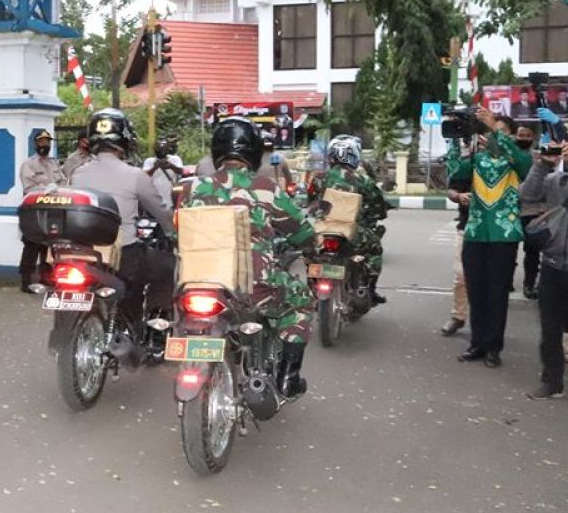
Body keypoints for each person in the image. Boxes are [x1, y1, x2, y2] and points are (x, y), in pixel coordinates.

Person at [176, 117, 317, 396]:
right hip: (253, 288)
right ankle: (288, 379)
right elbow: (300, 230)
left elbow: (179, 231)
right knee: (300, 303)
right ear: (253, 151)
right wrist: (311, 246)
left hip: (198, 284)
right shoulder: (265, 188)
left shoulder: (192, 188)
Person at [70, 108, 175, 326]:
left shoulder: (78, 173)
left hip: (85, 252)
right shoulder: (134, 175)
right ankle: (153, 327)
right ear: (125, 138)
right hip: (124, 253)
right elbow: (161, 211)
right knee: (167, 266)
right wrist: (171, 232)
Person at [446, 109, 531, 367]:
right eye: (492, 131)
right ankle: (477, 344)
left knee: (497, 293)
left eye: (502, 132)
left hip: (504, 235)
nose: (495, 136)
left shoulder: (518, 159)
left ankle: (494, 348)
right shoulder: (477, 158)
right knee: (477, 291)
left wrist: (493, 127)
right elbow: (455, 172)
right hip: (476, 232)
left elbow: (525, 165)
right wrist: (459, 141)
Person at [519, 137, 568, 400]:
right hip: (553, 265)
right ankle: (552, 381)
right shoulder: (556, 181)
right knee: (550, 329)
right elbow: (527, 195)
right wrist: (543, 164)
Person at [308, 135, 390, 305]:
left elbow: (309, 201)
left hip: (323, 229)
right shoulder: (363, 180)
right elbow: (378, 204)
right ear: (354, 155)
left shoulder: (318, 178)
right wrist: (379, 213)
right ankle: (370, 289)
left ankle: (311, 287)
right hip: (351, 231)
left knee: (309, 252)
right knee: (375, 249)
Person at [18, 129, 65, 292]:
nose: (45, 145)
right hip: (35, 210)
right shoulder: (29, 164)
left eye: (47, 142)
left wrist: (57, 188)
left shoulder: (53, 163)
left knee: (49, 245)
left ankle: (46, 277)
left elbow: (63, 182)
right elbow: (28, 187)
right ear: (35, 144)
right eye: (41, 142)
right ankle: (26, 281)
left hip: (53, 210)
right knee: (31, 245)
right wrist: (45, 189)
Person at [441, 171, 472, 336]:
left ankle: (487, 326)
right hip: (467, 227)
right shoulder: (468, 163)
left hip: (495, 231)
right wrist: (459, 196)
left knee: (491, 280)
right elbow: (451, 190)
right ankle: (458, 316)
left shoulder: (506, 159)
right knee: (461, 275)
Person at [514, 123, 541, 299]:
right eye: (520, 135)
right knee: (508, 250)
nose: (523, 139)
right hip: (512, 209)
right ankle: (505, 282)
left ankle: (529, 285)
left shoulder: (538, 157)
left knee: (532, 251)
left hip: (533, 211)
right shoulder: (509, 155)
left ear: (533, 138)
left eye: (527, 136)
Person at [142, 134, 184, 208]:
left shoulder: (175, 159)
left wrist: (171, 166)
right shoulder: (149, 161)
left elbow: (181, 171)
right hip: (155, 200)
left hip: (171, 199)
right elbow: (144, 176)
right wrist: (154, 167)